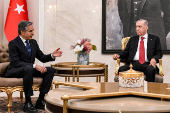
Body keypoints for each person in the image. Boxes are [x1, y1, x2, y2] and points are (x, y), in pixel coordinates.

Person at [5, 20, 62, 113]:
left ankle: (41, 100)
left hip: (29, 69)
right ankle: (28, 102)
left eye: (33, 30)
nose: (33, 33)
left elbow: (42, 57)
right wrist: (34, 65)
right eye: (30, 31)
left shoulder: (33, 42)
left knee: (50, 70)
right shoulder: (13, 43)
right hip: (15, 70)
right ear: (22, 32)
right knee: (29, 69)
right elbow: (15, 62)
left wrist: (52, 55)